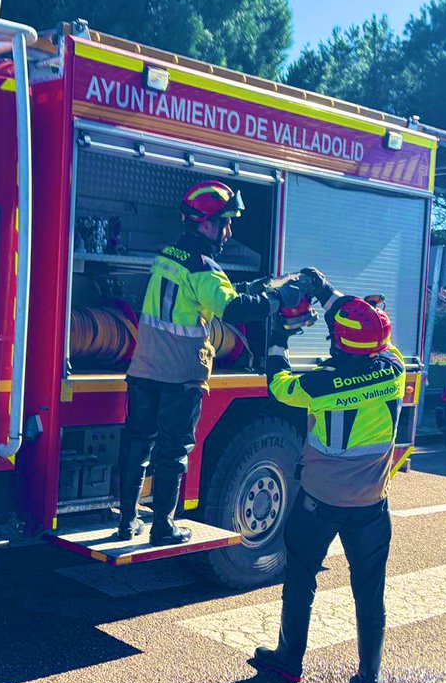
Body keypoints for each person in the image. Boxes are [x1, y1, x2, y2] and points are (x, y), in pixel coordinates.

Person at [118, 180, 306, 545]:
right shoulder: (205, 267)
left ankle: (127, 521)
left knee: (137, 444)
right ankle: (162, 527)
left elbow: (219, 293)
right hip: (181, 376)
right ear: (205, 223)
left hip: (144, 369)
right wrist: (278, 299)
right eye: (224, 222)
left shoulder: (169, 255)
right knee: (173, 452)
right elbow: (232, 309)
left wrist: (262, 285)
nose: (229, 230)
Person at [250, 280, 405, 683]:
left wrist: (279, 338)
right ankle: (369, 679)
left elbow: (279, 384)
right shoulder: (395, 367)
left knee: (301, 580)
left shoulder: (319, 384)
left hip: (318, 503)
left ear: (338, 342)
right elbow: (369, 333)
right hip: (372, 506)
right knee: (370, 592)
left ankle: (288, 662)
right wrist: (329, 292)